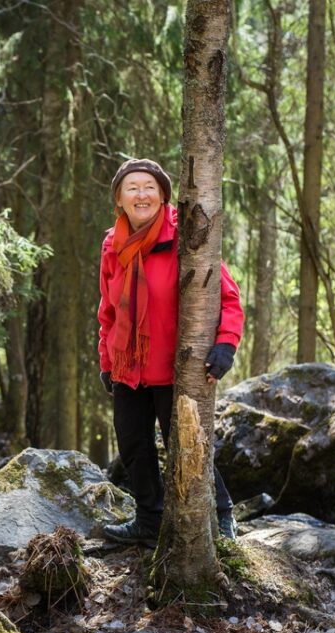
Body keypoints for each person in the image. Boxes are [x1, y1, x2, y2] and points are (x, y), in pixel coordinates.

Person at [97, 158, 244, 545]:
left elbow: (228, 297)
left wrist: (226, 344)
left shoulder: (186, 239)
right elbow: (108, 311)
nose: (141, 194)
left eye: (149, 187)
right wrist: (106, 361)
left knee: (186, 445)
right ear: (120, 199)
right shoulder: (113, 245)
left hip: (176, 369)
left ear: (163, 194)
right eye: (132, 188)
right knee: (132, 445)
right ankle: (149, 521)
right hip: (128, 368)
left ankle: (221, 515)